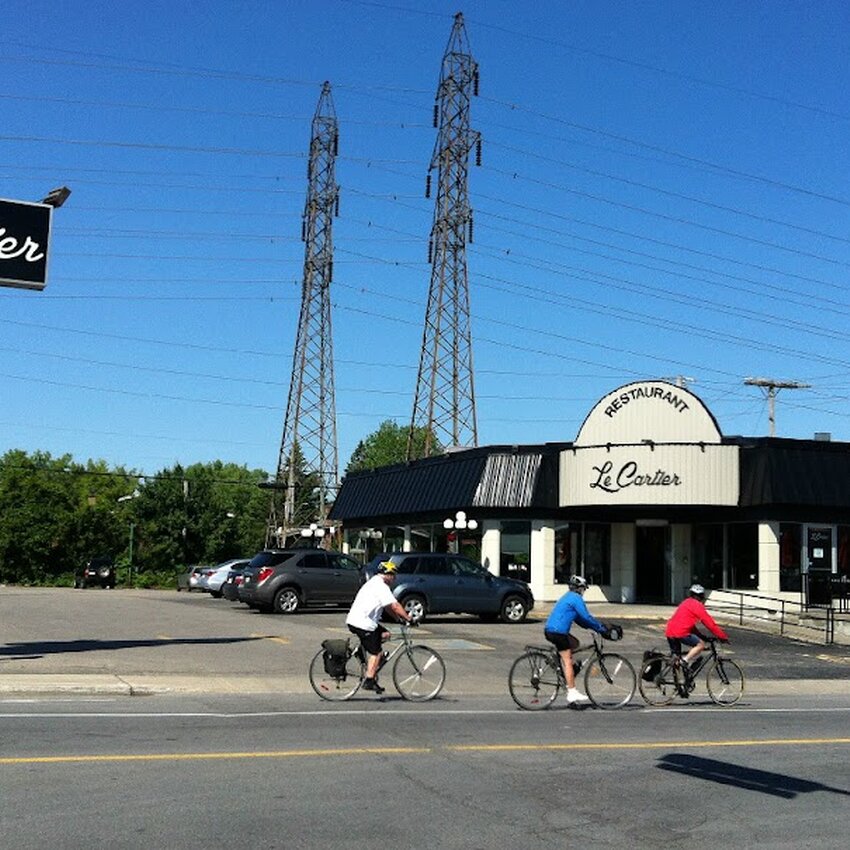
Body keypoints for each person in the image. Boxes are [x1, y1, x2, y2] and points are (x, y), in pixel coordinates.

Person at [345, 559, 415, 694]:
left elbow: (388, 606)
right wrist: (408, 618)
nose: (394, 579)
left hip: (357, 620)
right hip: (363, 623)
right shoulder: (381, 586)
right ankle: (369, 680)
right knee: (376, 653)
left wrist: (397, 619)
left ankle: (367, 659)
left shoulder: (374, 582)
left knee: (386, 634)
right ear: (388, 575)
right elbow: (395, 605)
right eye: (393, 576)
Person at [544, 574, 609, 704]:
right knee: (568, 660)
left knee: (575, 643)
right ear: (579, 588)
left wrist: (592, 628)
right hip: (559, 633)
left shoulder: (567, 597)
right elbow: (586, 617)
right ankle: (572, 691)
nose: (583, 592)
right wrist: (601, 628)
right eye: (583, 589)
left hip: (550, 630)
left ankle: (560, 664)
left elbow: (579, 619)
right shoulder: (576, 598)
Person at [665, 583, 729, 668]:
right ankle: (685, 660)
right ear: (701, 596)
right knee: (700, 645)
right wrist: (723, 637)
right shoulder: (698, 606)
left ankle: (680, 679)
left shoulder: (685, 602)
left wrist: (701, 635)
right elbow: (710, 624)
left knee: (676, 659)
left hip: (670, 631)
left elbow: (689, 625)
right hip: (680, 633)